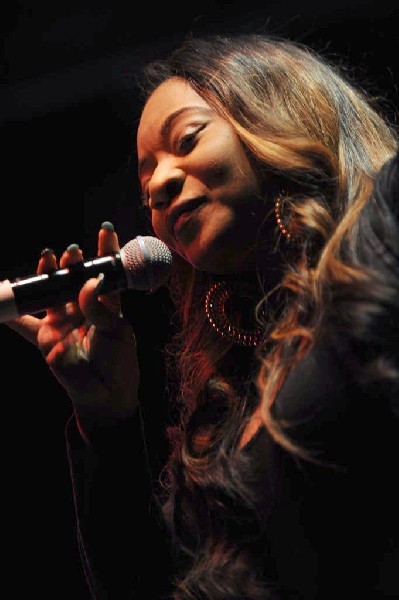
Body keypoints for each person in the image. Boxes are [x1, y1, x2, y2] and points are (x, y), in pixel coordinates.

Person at [4, 33, 399, 599]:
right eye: (146, 185)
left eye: (188, 139)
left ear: (273, 113)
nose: (160, 185)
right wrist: (106, 417)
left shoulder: (386, 229)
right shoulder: (226, 409)